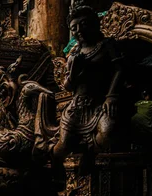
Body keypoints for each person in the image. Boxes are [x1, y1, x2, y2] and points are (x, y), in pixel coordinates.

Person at [52, 4, 125, 160]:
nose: (79, 30)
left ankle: (88, 152)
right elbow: (68, 86)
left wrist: (111, 96)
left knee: (106, 135)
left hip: (100, 102)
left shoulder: (107, 45)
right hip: (77, 105)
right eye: (74, 28)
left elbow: (120, 69)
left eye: (83, 24)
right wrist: (73, 70)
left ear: (94, 24)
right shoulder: (74, 52)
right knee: (61, 149)